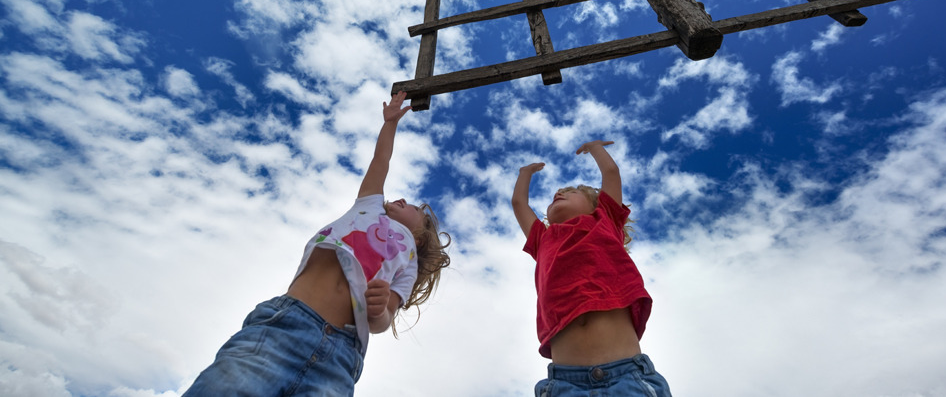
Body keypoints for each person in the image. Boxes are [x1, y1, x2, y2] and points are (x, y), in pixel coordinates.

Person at [184, 91, 451, 396]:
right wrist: (389, 124)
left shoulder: (409, 261)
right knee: (226, 388)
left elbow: (384, 318)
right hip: (285, 325)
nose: (403, 201)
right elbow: (381, 161)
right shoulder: (369, 207)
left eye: (414, 209)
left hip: (340, 356)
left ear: (420, 236)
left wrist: (379, 311)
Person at [512, 140, 671, 397]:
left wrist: (595, 147)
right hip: (565, 383)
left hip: (627, 376)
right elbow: (519, 204)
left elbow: (611, 173)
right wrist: (524, 173)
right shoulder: (543, 240)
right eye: (554, 197)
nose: (557, 195)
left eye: (569, 193)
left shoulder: (604, 220)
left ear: (595, 204)